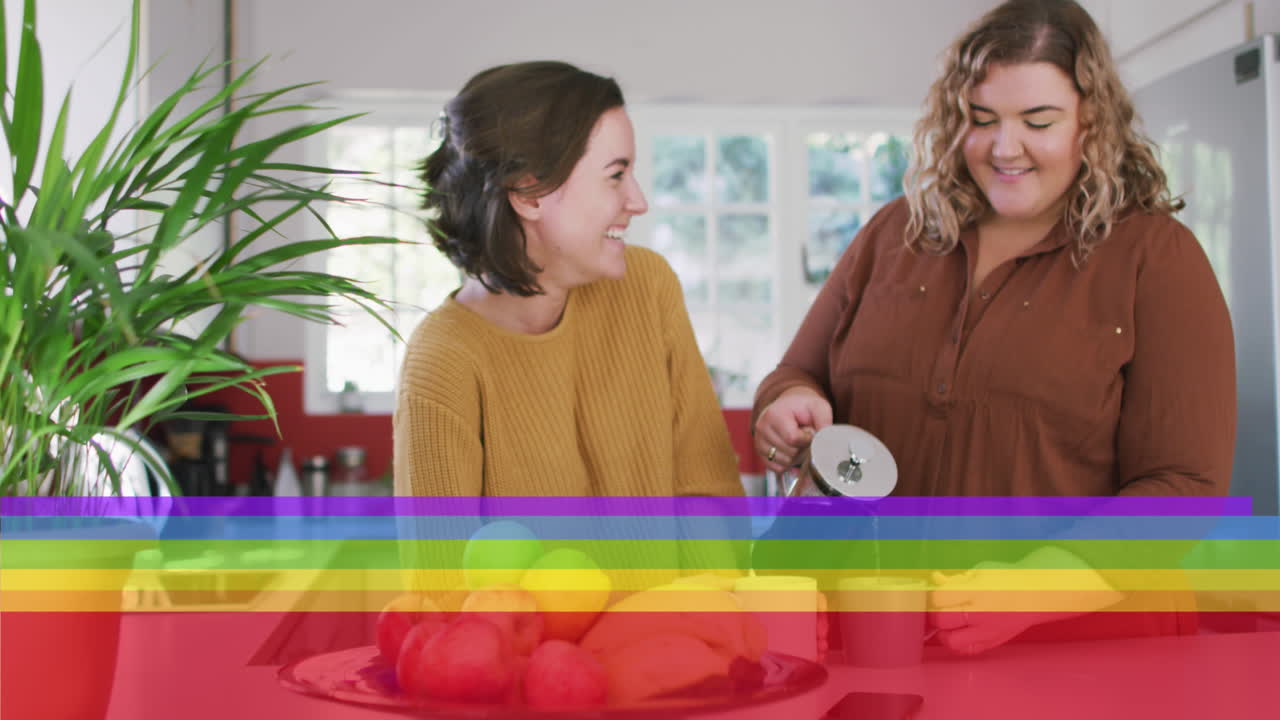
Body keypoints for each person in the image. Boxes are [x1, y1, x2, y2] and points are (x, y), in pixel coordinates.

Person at [751, 0, 1235, 654]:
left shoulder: (1155, 259)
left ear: (1091, 122)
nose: (1005, 148)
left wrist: (1034, 591)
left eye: (1038, 121)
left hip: (1084, 660)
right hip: (873, 645)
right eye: (982, 120)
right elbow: (797, 373)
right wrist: (789, 405)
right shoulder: (895, 234)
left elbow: (1185, 489)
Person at [392, 61, 742, 500]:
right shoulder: (444, 361)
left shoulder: (648, 285)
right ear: (528, 193)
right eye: (615, 176)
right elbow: (440, 571)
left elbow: (708, 490)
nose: (638, 201)